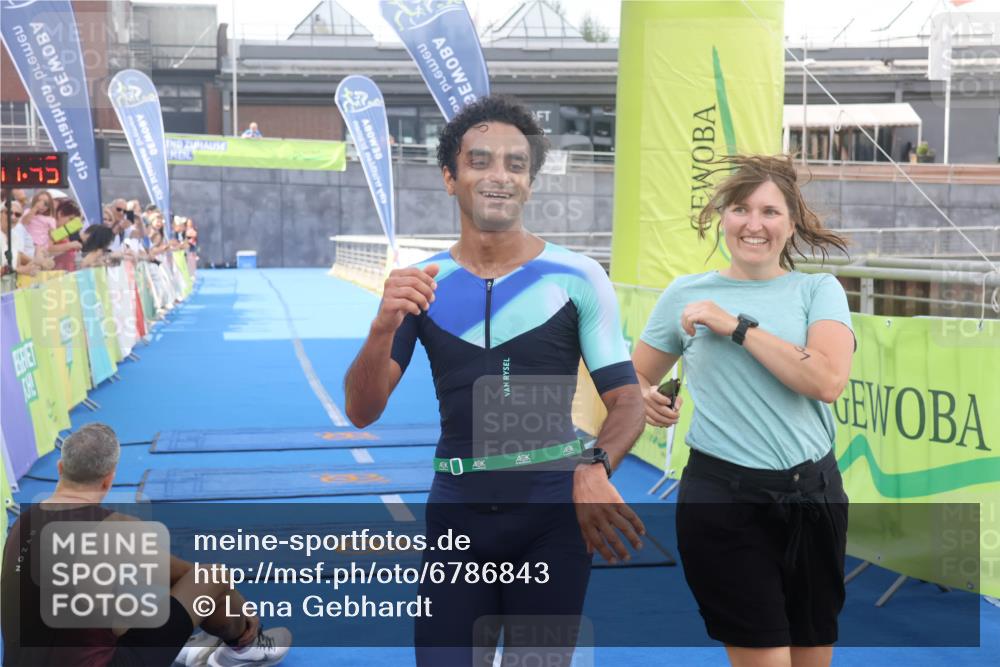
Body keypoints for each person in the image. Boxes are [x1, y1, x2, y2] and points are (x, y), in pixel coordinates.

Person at [343, 95, 645, 666]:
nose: (499, 176)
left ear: (530, 183)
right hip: (456, 515)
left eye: (516, 164)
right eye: (480, 161)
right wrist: (382, 326)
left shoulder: (578, 276)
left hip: (552, 518)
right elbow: (362, 410)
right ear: (450, 177)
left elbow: (627, 400)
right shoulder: (423, 282)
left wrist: (595, 465)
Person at [631, 154, 855, 667]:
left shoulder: (817, 290)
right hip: (724, 501)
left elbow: (825, 380)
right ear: (721, 217)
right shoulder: (685, 295)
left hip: (814, 499)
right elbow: (632, 376)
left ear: (791, 223)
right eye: (740, 209)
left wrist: (735, 325)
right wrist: (642, 396)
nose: (754, 224)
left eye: (770, 212)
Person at [0, 423, 292, 667]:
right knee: (210, 577)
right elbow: (195, 578)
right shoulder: (116, 527)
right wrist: (243, 609)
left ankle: (184, 644)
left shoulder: (21, 524)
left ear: (61, 467)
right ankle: (243, 649)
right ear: (108, 480)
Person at [51, 199, 86, 271]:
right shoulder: (50, 227)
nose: (71, 223)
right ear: (60, 214)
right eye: (70, 219)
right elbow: (47, 248)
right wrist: (70, 245)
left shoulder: (65, 231)